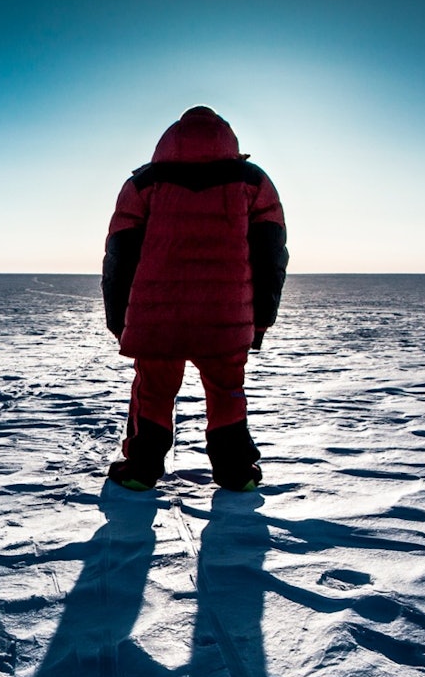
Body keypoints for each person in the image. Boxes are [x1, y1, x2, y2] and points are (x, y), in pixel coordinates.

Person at [102, 106, 288, 491]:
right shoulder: (253, 182)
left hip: (157, 316)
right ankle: (236, 472)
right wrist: (263, 316)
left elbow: (119, 253)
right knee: (227, 392)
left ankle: (140, 469)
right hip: (226, 316)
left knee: (152, 391)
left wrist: (119, 319)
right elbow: (272, 251)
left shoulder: (143, 184)